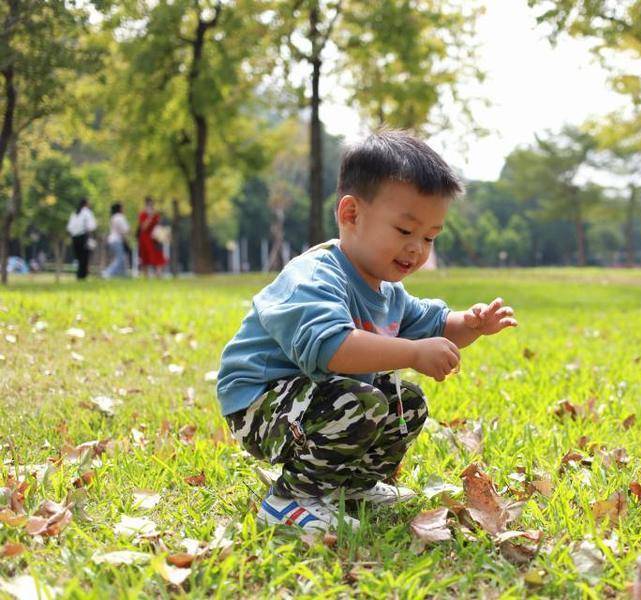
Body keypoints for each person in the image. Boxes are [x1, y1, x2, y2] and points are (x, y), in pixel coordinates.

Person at [217, 131, 518, 532]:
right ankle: (291, 499)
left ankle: (350, 486)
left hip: (315, 400)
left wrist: (471, 324)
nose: (417, 249)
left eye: (429, 237)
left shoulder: (388, 291)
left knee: (406, 403)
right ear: (351, 215)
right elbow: (334, 349)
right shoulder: (314, 276)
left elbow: (434, 323)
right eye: (405, 231)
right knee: (358, 402)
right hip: (260, 404)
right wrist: (412, 353)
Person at [66, 198, 97, 280]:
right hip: (83, 236)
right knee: (84, 257)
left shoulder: (74, 213)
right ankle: (82, 276)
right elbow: (92, 226)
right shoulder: (87, 212)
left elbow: (69, 227)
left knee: (79, 258)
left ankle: (79, 275)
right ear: (86, 204)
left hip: (74, 237)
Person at [137, 196, 167, 277]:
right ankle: (145, 276)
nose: (151, 207)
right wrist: (149, 217)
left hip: (154, 239)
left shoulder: (156, 215)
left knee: (158, 256)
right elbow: (143, 227)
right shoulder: (143, 214)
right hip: (145, 238)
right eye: (149, 205)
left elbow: (159, 226)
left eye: (152, 205)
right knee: (145, 258)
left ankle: (159, 275)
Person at [102, 203, 130, 278]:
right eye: (122, 208)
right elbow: (124, 230)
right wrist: (127, 240)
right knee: (120, 258)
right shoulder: (120, 217)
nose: (124, 209)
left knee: (121, 258)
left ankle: (123, 275)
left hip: (111, 240)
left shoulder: (113, 217)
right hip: (117, 240)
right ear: (119, 209)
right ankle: (107, 273)